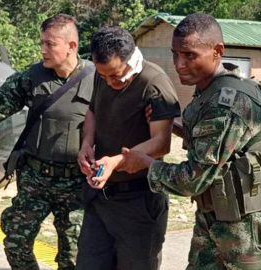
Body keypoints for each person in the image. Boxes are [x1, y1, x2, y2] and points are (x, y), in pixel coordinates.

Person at [122, 13, 261, 270]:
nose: (179, 64)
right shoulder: (211, 92)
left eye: (189, 55)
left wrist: (146, 164)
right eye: (175, 54)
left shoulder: (228, 103)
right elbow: (221, 146)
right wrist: (176, 126)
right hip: (215, 219)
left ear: (217, 51)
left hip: (246, 229)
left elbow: (193, 179)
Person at [0, 14, 94, 270]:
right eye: (41, 43)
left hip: (76, 183)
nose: (42, 49)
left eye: (49, 44)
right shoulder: (32, 77)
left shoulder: (96, 79)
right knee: (16, 243)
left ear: (71, 46)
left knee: (73, 257)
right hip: (35, 179)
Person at [76, 26, 181, 270]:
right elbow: (93, 110)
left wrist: (115, 162)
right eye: (103, 76)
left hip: (138, 202)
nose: (110, 82)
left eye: (116, 75)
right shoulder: (102, 73)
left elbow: (161, 143)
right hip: (101, 200)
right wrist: (86, 144)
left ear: (131, 59)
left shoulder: (154, 84)